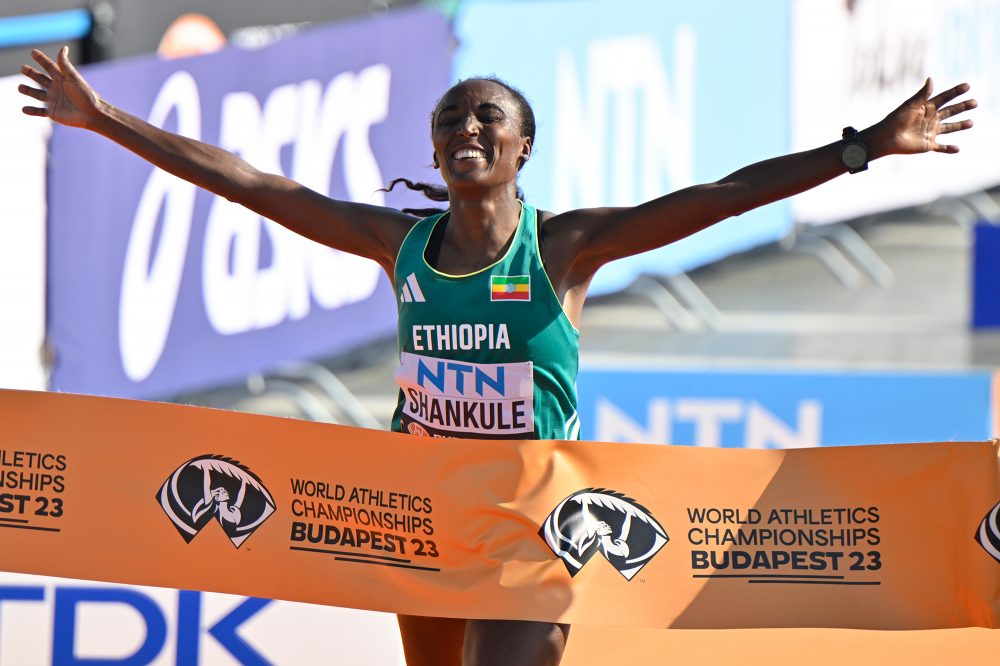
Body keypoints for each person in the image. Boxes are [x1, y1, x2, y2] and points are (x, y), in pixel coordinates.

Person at [18, 46, 976, 666]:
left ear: (523, 149)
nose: (465, 129)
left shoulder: (564, 248)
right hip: (422, 510)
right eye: (450, 121)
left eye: (487, 119)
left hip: (529, 516)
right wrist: (105, 120)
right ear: (435, 154)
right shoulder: (398, 242)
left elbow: (722, 196)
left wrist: (864, 148)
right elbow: (252, 184)